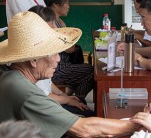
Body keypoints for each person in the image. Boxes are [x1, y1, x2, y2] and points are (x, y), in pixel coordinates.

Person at [0, 11, 140, 138]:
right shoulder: (23, 91)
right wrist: (137, 125)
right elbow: (83, 129)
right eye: (53, 53)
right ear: (33, 60)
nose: (58, 59)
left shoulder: (9, 74)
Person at [29, 5, 95, 117]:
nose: (55, 27)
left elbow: (48, 83)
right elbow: (42, 95)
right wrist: (67, 100)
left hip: (49, 101)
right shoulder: (33, 54)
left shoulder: (44, 48)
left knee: (81, 103)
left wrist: (64, 95)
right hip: (45, 108)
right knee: (88, 115)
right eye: (52, 24)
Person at [46, 0, 94, 98]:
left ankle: (71, 97)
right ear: (56, 4)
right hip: (58, 68)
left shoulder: (58, 21)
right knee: (90, 71)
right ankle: (78, 99)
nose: (69, 6)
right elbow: (70, 48)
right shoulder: (52, 23)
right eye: (67, 3)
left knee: (86, 70)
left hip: (64, 64)